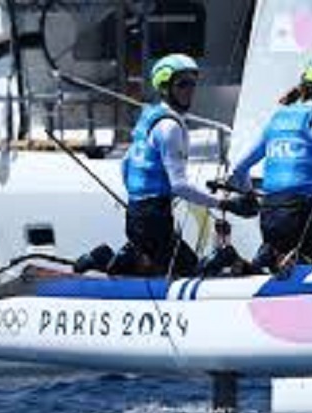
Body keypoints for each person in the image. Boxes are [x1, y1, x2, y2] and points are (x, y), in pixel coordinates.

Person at [107, 53, 255, 277]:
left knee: (159, 266)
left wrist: (140, 198)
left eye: (193, 84)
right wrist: (226, 204)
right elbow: (180, 186)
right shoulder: (170, 127)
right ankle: (222, 256)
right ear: (165, 88)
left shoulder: (149, 117)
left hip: (138, 215)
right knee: (191, 271)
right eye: (182, 84)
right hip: (154, 218)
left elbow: (126, 165)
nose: (190, 91)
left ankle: (114, 257)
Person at [226, 61, 312, 272]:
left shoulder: (276, 120)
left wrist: (249, 194)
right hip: (301, 216)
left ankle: (260, 260)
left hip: (268, 215)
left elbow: (239, 168)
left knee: (287, 255)